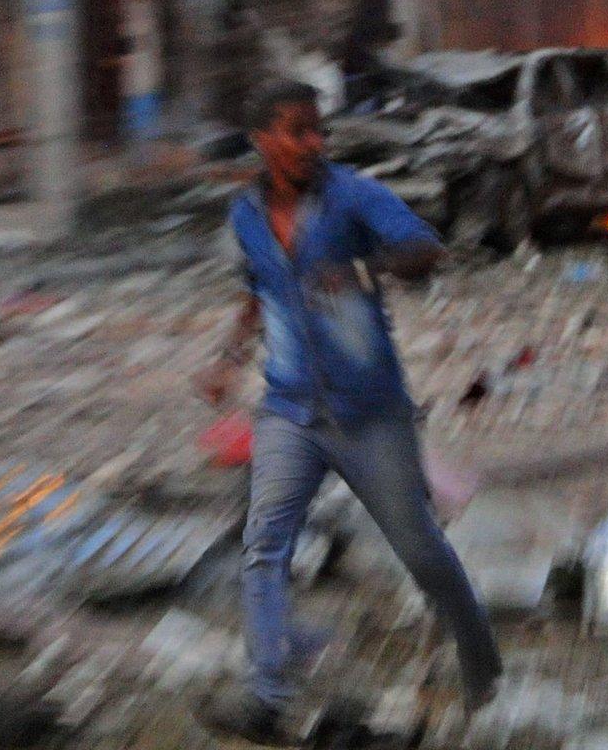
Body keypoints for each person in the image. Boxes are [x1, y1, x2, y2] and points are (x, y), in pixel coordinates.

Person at [193, 80, 501, 744]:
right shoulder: (246, 215)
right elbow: (259, 291)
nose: (314, 143)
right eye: (297, 131)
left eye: (318, 131)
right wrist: (227, 358)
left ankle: (479, 652)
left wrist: (362, 271)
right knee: (264, 546)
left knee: (419, 548)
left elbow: (428, 251)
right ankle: (267, 695)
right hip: (289, 411)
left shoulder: (352, 196)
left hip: (370, 412)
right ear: (262, 141)